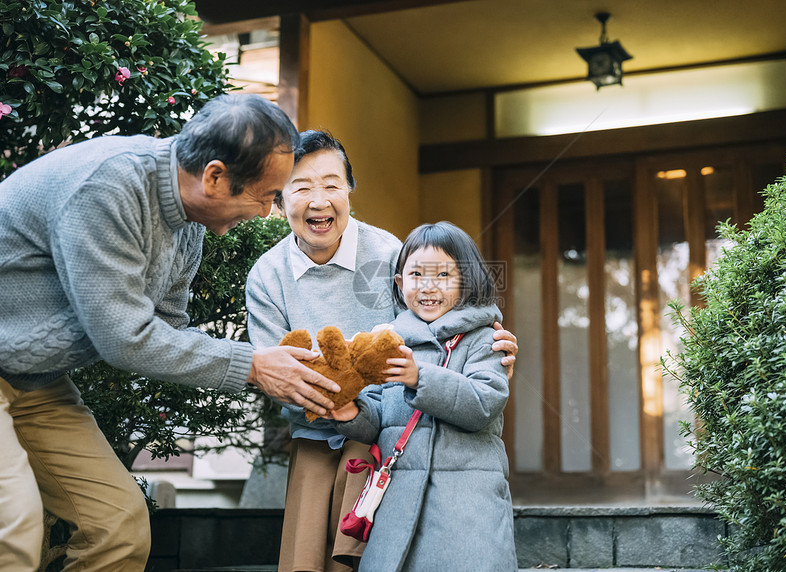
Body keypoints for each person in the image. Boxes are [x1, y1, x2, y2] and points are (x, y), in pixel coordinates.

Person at [0, 94, 342, 572]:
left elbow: (166, 331)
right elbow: (125, 338)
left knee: (118, 528)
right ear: (215, 177)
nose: (268, 212)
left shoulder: (190, 222)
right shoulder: (109, 187)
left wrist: (278, 370)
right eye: (266, 195)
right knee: (12, 531)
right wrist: (253, 366)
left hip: (36, 382)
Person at [245, 131, 517, 572]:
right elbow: (269, 367)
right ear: (279, 199)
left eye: (332, 184)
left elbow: (435, 327)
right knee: (304, 557)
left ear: (350, 190)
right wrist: (331, 398)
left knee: (363, 556)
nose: (319, 200)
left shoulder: (391, 253)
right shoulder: (267, 275)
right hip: (314, 422)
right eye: (301, 186)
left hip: (385, 427)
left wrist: (487, 336)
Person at [328, 221, 518, 571]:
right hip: (398, 509)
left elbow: (483, 405)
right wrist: (346, 409)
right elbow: (376, 422)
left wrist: (420, 376)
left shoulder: (484, 340)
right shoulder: (389, 341)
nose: (428, 287)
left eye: (444, 275)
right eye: (416, 274)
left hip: (466, 511)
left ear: (466, 281)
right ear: (400, 283)